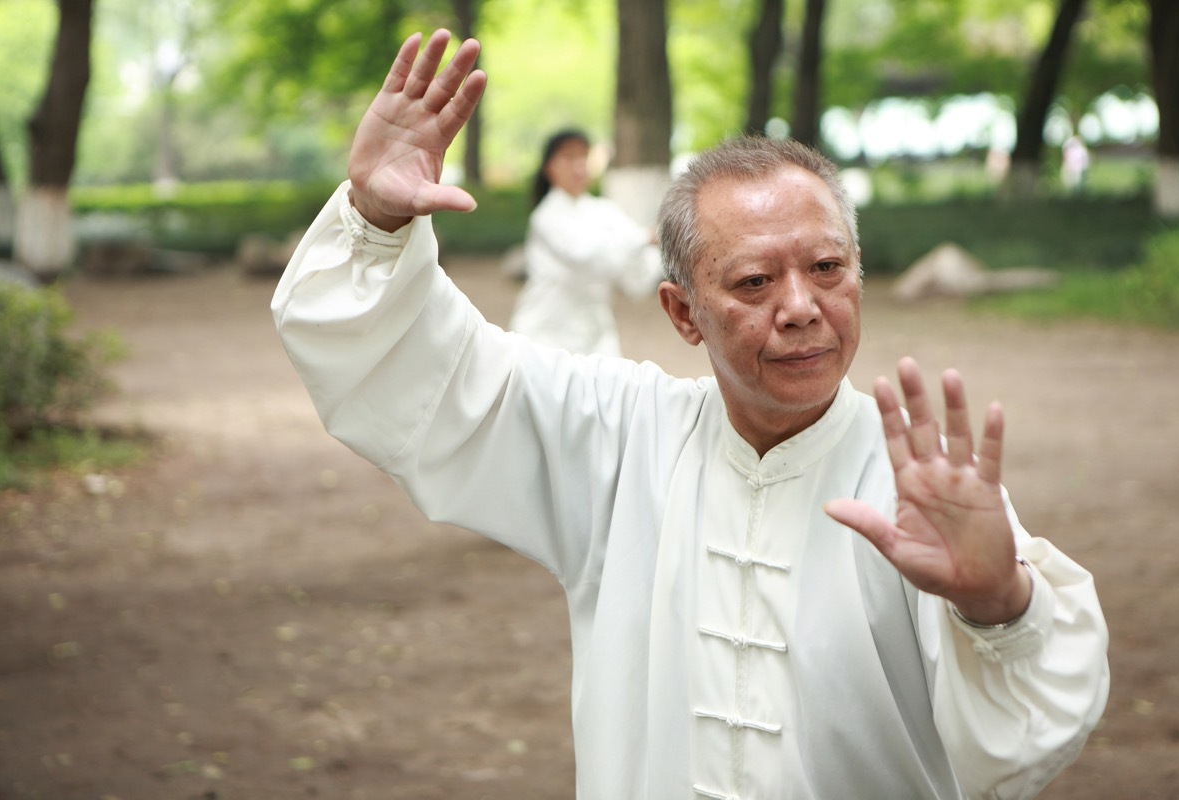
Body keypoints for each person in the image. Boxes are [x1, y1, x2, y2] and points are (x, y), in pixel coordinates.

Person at [272, 30, 1109, 799]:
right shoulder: (617, 437)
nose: (800, 308)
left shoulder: (926, 485)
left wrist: (1002, 604)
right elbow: (430, 376)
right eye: (753, 283)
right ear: (682, 314)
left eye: (826, 268)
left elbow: (1034, 733)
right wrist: (376, 220)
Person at [507, 128, 661, 356]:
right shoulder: (547, 215)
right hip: (545, 337)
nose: (578, 165)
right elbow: (585, 254)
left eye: (583, 157)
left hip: (595, 338)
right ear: (549, 168)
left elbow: (637, 281)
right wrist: (643, 239)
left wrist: (663, 251)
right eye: (568, 157)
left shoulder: (605, 211)